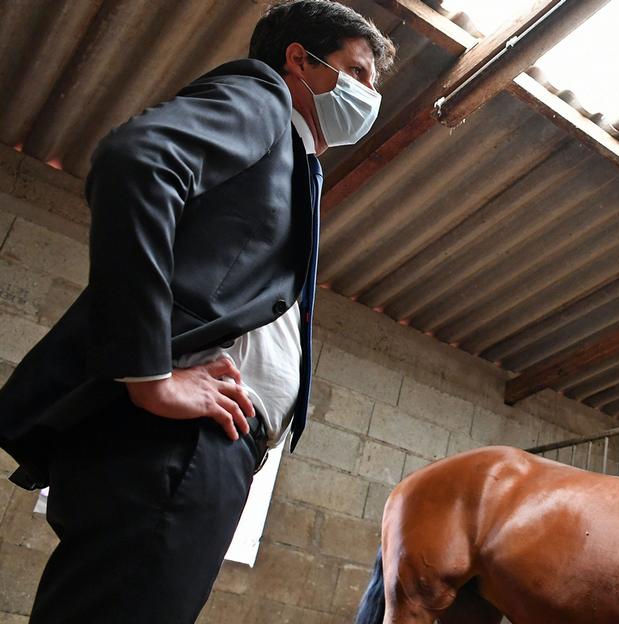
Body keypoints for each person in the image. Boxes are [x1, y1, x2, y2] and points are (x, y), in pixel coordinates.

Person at [0, 1, 394, 621]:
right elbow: (138, 159)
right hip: (175, 438)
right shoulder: (264, 99)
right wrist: (149, 374)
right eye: (358, 71)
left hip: (200, 447)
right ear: (299, 60)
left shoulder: (292, 158)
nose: (369, 95)